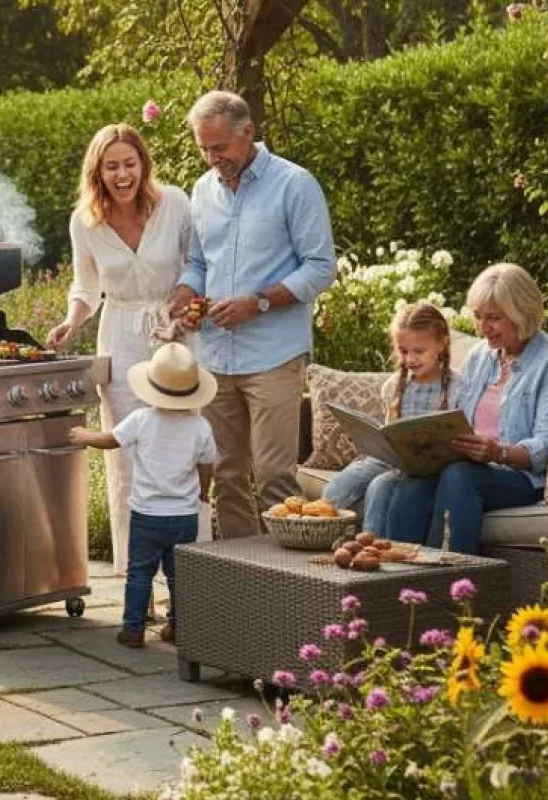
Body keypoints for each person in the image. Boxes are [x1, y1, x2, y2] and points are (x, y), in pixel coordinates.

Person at [167, 90, 336, 539]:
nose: (211, 159)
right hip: (217, 357)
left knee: (275, 475)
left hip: (273, 355)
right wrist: (185, 292)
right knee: (225, 475)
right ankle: (245, 586)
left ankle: (286, 584)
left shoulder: (295, 184)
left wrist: (257, 302)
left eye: (219, 148)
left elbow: (320, 268)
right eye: (203, 149)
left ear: (248, 132)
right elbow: (200, 263)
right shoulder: (203, 191)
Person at [46, 123, 192, 576]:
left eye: (130, 163)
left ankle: (189, 576)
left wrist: (185, 311)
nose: (122, 174)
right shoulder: (85, 221)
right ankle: (136, 578)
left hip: (177, 336)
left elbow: (196, 267)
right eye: (112, 166)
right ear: (99, 172)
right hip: (122, 338)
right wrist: (72, 320)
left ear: (143, 165)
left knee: (181, 453)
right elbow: (86, 288)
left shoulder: (175, 204)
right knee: (126, 458)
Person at [380, 263, 548, 552]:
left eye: (493, 318)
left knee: (458, 475)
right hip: (468, 464)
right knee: (410, 486)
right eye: (478, 317)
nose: (482, 327)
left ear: (522, 313)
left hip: (521, 478)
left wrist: (497, 452)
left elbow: (545, 447)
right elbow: (456, 416)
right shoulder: (482, 355)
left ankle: (446, 580)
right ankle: (394, 585)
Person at [69, 342, 217, 647]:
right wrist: (203, 493)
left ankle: (133, 629)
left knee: (139, 574)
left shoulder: (142, 419)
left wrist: (85, 437)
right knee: (179, 578)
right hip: (183, 516)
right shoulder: (200, 426)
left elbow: (111, 440)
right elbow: (206, 466)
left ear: (151, 386)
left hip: (147, 515)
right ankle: (177, 628)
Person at [322, 301, 460, 529]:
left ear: (442, 343)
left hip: (430, 467)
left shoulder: (458, 388)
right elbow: (390, 431)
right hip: (388, 461)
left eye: (419, 351)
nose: (410, 359)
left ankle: (373, 548)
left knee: (379, 487)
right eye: (404, 351)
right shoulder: (393, 386)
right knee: (335, 490)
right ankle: (330, 543)